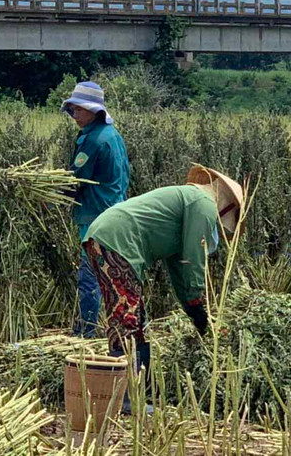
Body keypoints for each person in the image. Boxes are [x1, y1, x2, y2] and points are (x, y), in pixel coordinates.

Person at [82, 165, 243, 402]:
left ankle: (142, 391)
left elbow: (179, 266)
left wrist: (193, 308)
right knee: (126, 319)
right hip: (117, 240)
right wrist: (198, 299)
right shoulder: (203, 204)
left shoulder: (189, 202)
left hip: (104, 237)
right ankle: (125, 398)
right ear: (227, 207)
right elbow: (193, 256)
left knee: (135, 320)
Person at [62, 81, 129, 338]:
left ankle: (86, 333)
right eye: (73, 109)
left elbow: (76, 182)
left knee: (89, 277)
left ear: (93, 111)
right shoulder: (113, 135)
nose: (75, 114)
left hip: (97, 218)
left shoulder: (93, 140)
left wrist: (47, 192)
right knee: (109, 275)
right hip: (116, 210)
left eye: (79, 109)